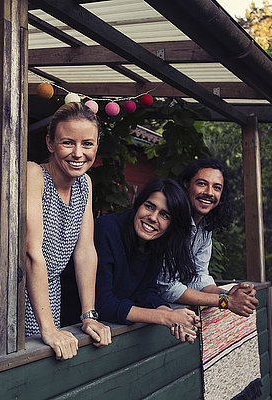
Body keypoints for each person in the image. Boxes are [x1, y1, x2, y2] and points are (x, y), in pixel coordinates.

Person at [25, 102, 111, 361]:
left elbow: (85, 251)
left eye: (87, 144)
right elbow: (31, 254)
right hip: (15, 295)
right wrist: (49, 327)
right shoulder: (34, 174)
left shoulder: (85, 183)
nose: (78, 153)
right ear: (50, 144)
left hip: (49, 295)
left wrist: (89, 315)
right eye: (67, 143)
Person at [95, 178, 199, 343]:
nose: (153, 217)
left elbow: (146, 292)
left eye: (164, 215)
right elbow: (102, 304)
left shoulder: (156, 241)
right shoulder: (106, 230)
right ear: (139, 204)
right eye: (149, 207)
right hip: (73, 330)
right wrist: (164, 317)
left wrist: (170, 315)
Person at [157, 158, 259, 316]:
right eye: (202, 184)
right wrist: (226, 301)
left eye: (216, 187)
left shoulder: (204, 228)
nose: (209, 193)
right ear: (186, 184)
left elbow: (199, 278)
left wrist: (228, 295)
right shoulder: (169, 221)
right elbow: (166, 288)